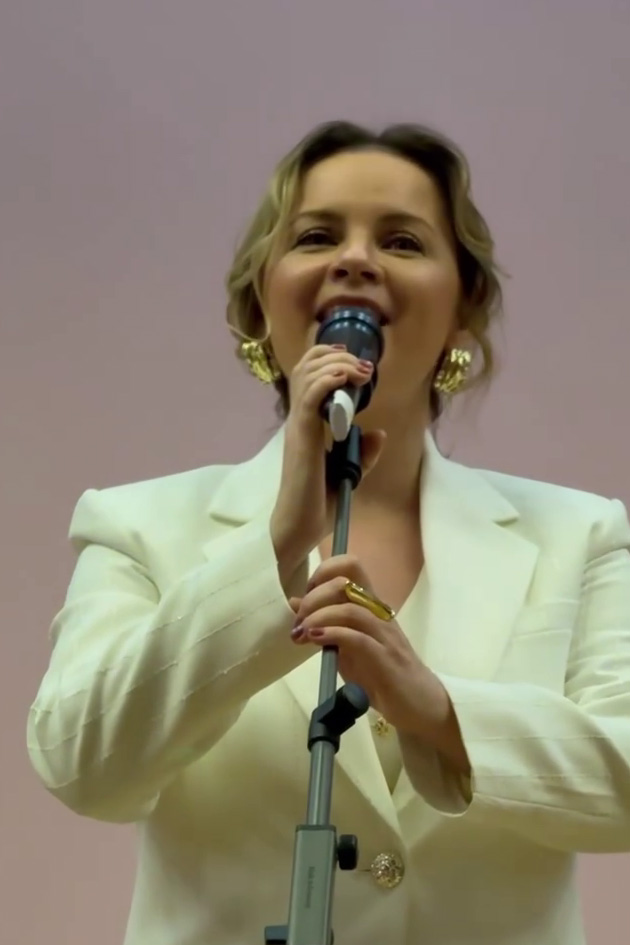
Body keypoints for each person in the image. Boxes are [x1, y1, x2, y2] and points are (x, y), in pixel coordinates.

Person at [27, 120, 630, 945]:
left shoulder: (580, 533)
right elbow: (81, 764)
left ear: (464, 309)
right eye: (316, 236)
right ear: (260, 302)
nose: (355, 259)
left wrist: (442, 712)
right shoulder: (138, 525)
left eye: (402, 241)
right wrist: (273, 550)